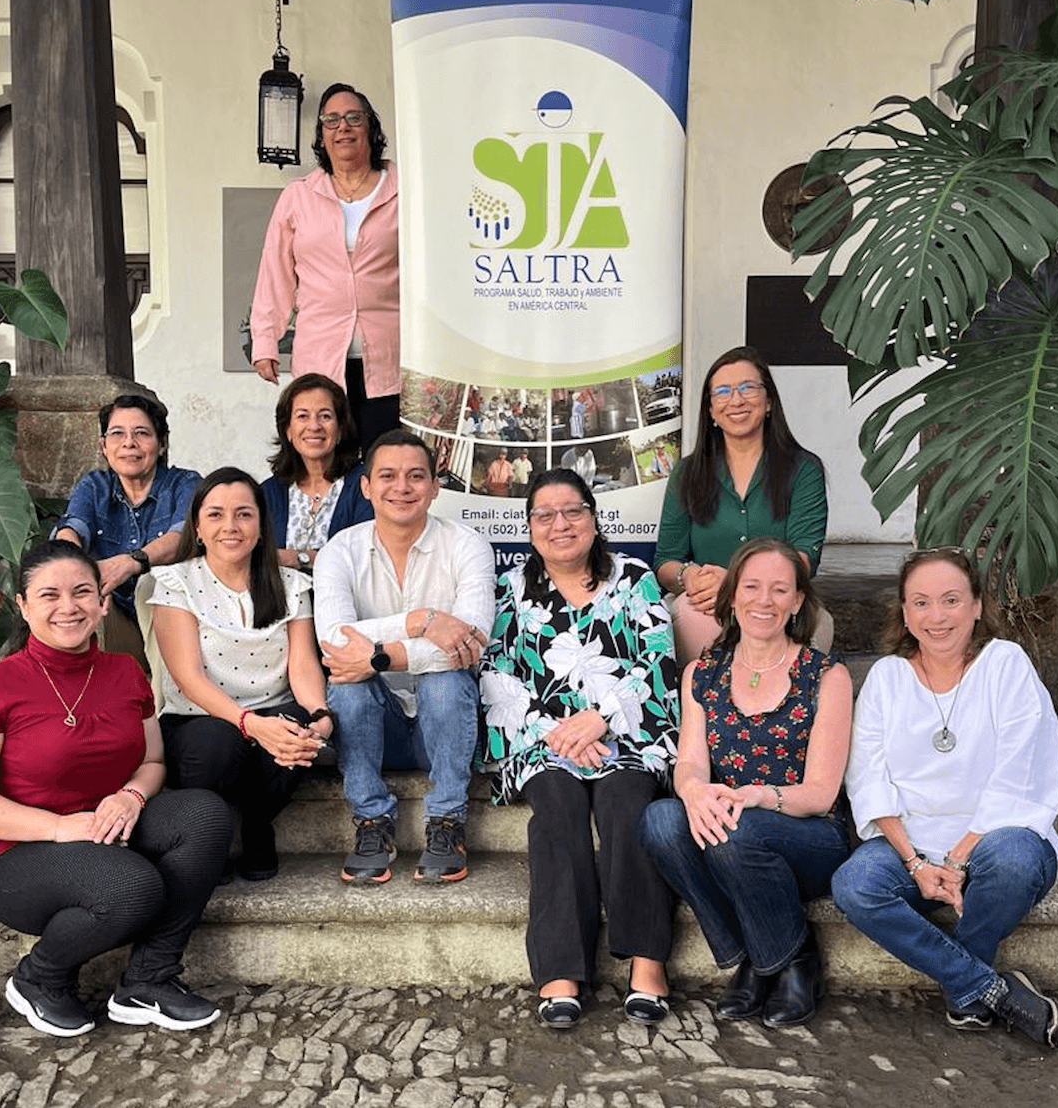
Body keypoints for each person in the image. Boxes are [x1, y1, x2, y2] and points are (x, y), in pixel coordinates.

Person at [0, 540, 230, 1037]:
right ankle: (41, 978)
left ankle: (148, 980)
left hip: (106, 825)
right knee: (133, 885)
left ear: (101, 601)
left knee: (205, 814)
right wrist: (56, 828)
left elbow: (153, 760)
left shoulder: (124, 670)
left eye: (81, 592)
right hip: (20, 853)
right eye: (49, 595)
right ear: (24, 606)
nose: (68, 607)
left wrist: (131, 795)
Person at [830, 548, 1058, 1048]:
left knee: (1014, 860)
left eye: (951, 600)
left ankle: (966, 986)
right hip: (910, 844)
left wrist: (958, 858)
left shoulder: (1005, 664)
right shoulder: (886, 678)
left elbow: (1019, 771)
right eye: (921, 602)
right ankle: (984, 988)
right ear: (905, 612)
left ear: (978, 605)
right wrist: (915, 862)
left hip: (994, 836)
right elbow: (869, 778)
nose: (936, 617)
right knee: (855, 884)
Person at [480, 469, 679, 1029]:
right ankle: (560, 971)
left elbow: (658, 660)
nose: (559, 524)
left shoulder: (634, 579)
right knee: (558, 811)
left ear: (594, 519)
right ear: (529, 527)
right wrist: (556, 731)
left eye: (572, 511)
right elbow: (495, 671)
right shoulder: (510, 589)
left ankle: (648, 961)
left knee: (627, 805)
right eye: (544, 515)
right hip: (542, 738)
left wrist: (600, 719)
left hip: (628, 733)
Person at [639, 537, 852, 1029]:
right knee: (660, 820)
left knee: (739, 829)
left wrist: (757, 797)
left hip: (809, 836)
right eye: (752, 587)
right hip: (730, 833)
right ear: (732, 595)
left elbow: (821, 793)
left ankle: (796, 960)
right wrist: (693, 792)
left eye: (780, 590)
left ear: (798, 601)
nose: (764, 600)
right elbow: (690, 764)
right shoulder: (703, 673)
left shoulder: (825, 676)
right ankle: (757, 955)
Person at [314, 430, 495, 884]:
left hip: (449, 728)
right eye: (388, 476)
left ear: (435, 486)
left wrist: (377, 656)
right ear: (366, 487)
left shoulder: (467, 545)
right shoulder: (340, 551)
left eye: (416, 476)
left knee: (448, 680)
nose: (402, 488)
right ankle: (372, 821)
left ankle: (447, 822)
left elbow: (471, 642)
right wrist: (419, 621)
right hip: (378, 729)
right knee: (348, 687)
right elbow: (335, 640)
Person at [149, 467, 334, 882]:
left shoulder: (291, 585)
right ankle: (209, 836)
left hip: (270, 714)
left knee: (300, 729)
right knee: (222, 740)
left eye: (243, 515)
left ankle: (256, 825)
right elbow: (188, 679)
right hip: (199, 724)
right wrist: (251, 724)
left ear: (260, 525)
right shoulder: (176, 582)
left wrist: (320, 715)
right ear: (197, 527)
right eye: (215, 515)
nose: (230, 527)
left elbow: (302, 665)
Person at [652, 347, 831, 667]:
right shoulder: (688, 473)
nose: (735, 400)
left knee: (816, 625)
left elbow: (804, 559)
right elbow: (666, 559)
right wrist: (688, 575)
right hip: (708, 606)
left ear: (769, 401)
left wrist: (738, 583)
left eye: (747, 387)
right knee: (689, 621)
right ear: (710, 409)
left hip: (778, 601)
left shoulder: (803, 469)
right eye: (722, 391)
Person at [250, 82, 399, 455]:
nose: (342, 127)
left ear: (371, 128)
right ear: (321, 134)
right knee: (328, 465)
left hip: (392, 359)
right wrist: (266, 339)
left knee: (387, 463)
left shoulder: (406, 189)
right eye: (331, 120)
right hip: (321, 360)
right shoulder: (298, 196)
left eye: (353, 118)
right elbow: (275, 272)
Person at [55, 394, 200, 670]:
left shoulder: (184, 483)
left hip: (177, 621)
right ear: (103, 446)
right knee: (86, 596)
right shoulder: (95, 486)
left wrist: (131, 562)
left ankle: (163, 709)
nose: (128, 443)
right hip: (117, 615)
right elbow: (73, 528)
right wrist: (74, 562)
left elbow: (183, 537)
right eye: (117, 434)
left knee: (153, 586)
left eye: (141, 433)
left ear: (162, 444)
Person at [259, 373, 374, 572]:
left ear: (340, 429)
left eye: (325, 416)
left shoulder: (364, 486)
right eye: (303, 416)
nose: (314, 426)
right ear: (288, 430)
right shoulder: (269, 492)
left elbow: (365, 557)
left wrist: (299, 558)